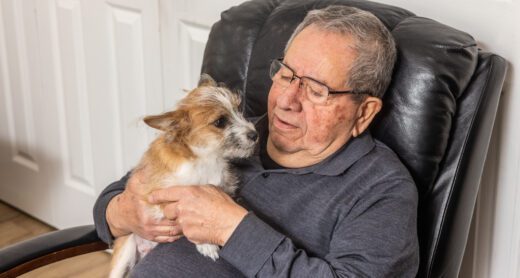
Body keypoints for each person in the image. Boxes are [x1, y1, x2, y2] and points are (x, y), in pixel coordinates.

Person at [94, 5, 419, 277]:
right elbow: (117, 196)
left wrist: (233, 230)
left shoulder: (381, 188)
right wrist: (123, 212)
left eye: (317, 90)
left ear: (364, 113)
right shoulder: (230, 133)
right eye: (287, 74)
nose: (287, 100)